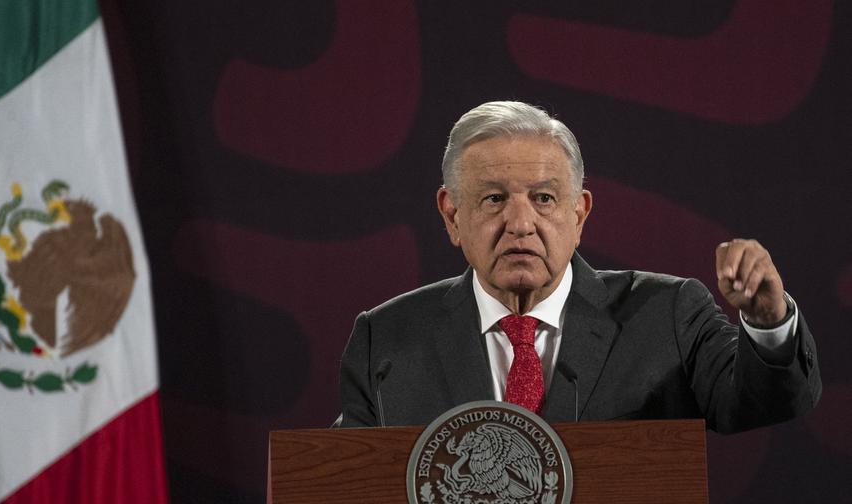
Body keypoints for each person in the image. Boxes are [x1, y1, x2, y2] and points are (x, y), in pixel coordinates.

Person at [338, 101, 820, 433]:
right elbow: (341, 480)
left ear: (579, 213)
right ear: (452, 215)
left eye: (544, 198)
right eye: (494, 198)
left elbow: (765, 404)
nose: (520, 223)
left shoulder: (665, 315)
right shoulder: (387, 339)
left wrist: (767, 322)